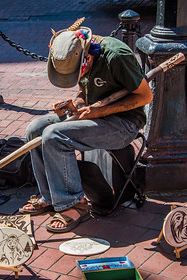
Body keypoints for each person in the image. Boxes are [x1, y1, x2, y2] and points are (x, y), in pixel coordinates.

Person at [19, 20, 153, 233]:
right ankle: (51, 197)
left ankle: (74, 204)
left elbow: (146, 96)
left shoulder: (116, 57)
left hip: (124, 124)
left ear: (87, 58)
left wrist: (100, 112)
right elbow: (84, 92)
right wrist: (77, 105)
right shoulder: (78, 55)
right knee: (36, 128)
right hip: (95, 116)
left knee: (54, 135)